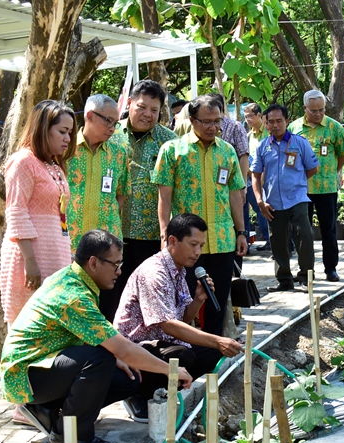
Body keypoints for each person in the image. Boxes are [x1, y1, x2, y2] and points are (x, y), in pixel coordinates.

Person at [0, 229, 194, 443]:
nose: (119, 272)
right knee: (100, 357)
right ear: (93, 262)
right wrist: (170, 371)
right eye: (115, 264)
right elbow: (123, 348)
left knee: (127, 378)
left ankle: (48, 408)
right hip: (25, 373)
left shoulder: (77, 279)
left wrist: (118, 358)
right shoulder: (73, 295)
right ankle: (70, 437)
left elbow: (106, 341)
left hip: (47, 364)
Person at [114, 213, 243, 421]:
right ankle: (139, 394)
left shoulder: (178, 269)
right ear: (172, 241)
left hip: (163, 341)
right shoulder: (154, 272)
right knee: (184, 355)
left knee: (215, 353)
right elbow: (168, 325)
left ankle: (164, 389)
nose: (198, 252)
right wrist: (217, 340)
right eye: (193, 244)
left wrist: (199, 299)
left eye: (201, 245)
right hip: (135, 348)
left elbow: (181, 319)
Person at [155, 94, 248, 335]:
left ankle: (214, 350)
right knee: (185, 300)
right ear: (192, 120)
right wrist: (165, 234)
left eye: (217, 121)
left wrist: (240, 231)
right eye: (207, 122)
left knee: (217, 301)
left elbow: (235, 195)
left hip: (222, 240)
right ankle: (185, 350)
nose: (213, 127)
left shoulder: (227, 151)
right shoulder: (172, 150)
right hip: (186, 243)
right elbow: (164, 198)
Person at [1, 100, 76, 326]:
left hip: (55, 253)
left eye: (70, 132)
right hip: (29, 256)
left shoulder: (53, 164)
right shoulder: (23, 161)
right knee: (27, 324)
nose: (68, 139)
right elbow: (16, 211)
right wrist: (30, 261)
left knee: (54, 324)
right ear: (44, 129)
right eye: (62, 131)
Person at [66, 94, 130, 320]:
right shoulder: (65, 149)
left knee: (107, 309)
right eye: (108, 121)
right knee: (75, 306)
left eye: (116, 122)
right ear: (90, 116)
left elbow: (121, 193)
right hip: (72, 242)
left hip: (107, 247)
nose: (113, 128)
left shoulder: (119, 153)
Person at [112, 80, 177, 296]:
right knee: (114, 295)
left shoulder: (169, 142)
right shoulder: (112, 135)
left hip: (151, 236)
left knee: (149, 294)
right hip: (114, 231)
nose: (147, 114)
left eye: (154, 110)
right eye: (141, 107)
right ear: (129, 103)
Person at [251, 104, 318, 292]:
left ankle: (306, 278)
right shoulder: (263, 147)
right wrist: (259, 200)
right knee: (278, 241)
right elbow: (255, 175)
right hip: (272, 202)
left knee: (304, 236)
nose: (275, 125)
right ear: (265, 124)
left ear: (287, 121)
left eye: (279, 120)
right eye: (270, 121)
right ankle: (284, 280)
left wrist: (298, 182)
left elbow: (312, 168)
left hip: (297, 199)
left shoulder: (300, 143)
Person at [288, 90, 344, 282]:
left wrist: (332, 172)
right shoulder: (294, 127)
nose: (318, 114)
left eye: (321, 110)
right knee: (302, 231)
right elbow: (289, 154)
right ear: (305, 108)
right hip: (301, 188)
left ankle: (331, 268)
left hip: (326, 188)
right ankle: (306, 270)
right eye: (313, 110)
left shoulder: (334, 127)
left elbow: (343, 154)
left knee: (328, 229)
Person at [243, 103, 270, 251]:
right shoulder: (248, 135)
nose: (247, 119)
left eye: (250, 116)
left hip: (265, 178)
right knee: (253, 210)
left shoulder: (267, 133)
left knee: (263, 209)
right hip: (250, 178)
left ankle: (272, 240)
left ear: (259, 115)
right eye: (246, 116)